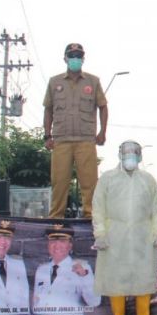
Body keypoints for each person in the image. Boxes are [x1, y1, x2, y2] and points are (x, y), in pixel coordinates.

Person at [92, 141, 157, 315]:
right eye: (127, 153)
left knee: (143, 275)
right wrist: (100, 233)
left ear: (140, 157)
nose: (130, 157)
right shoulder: (107, 178)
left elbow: (155, 210)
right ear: (120, 155)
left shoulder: (148, 180)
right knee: (116, 277)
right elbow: (98, 208)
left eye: (134, 154)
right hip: (115, 233)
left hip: (143, 234)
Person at [43, 43, 108, 219]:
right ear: (65, 58)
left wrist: (102, 132)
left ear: (83, 59)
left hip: (86, 140)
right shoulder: (54, 82)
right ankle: (56, 220)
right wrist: (47, 135)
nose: (75, 59)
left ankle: (91, 219)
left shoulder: (93, 82)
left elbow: (103, 106)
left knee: (90, 184)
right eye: (72, 56)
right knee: (59, 183)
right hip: (61, 140)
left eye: (79, 56)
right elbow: (48, 109)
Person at [32, 225, 100, 315]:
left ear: (70, 245)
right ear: (48, 244)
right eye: (53, 241)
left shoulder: (82, 268)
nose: (57, 245)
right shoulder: (41, 269)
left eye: (63, 241)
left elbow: (95, 302)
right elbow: (36, 302)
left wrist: (84, 276)